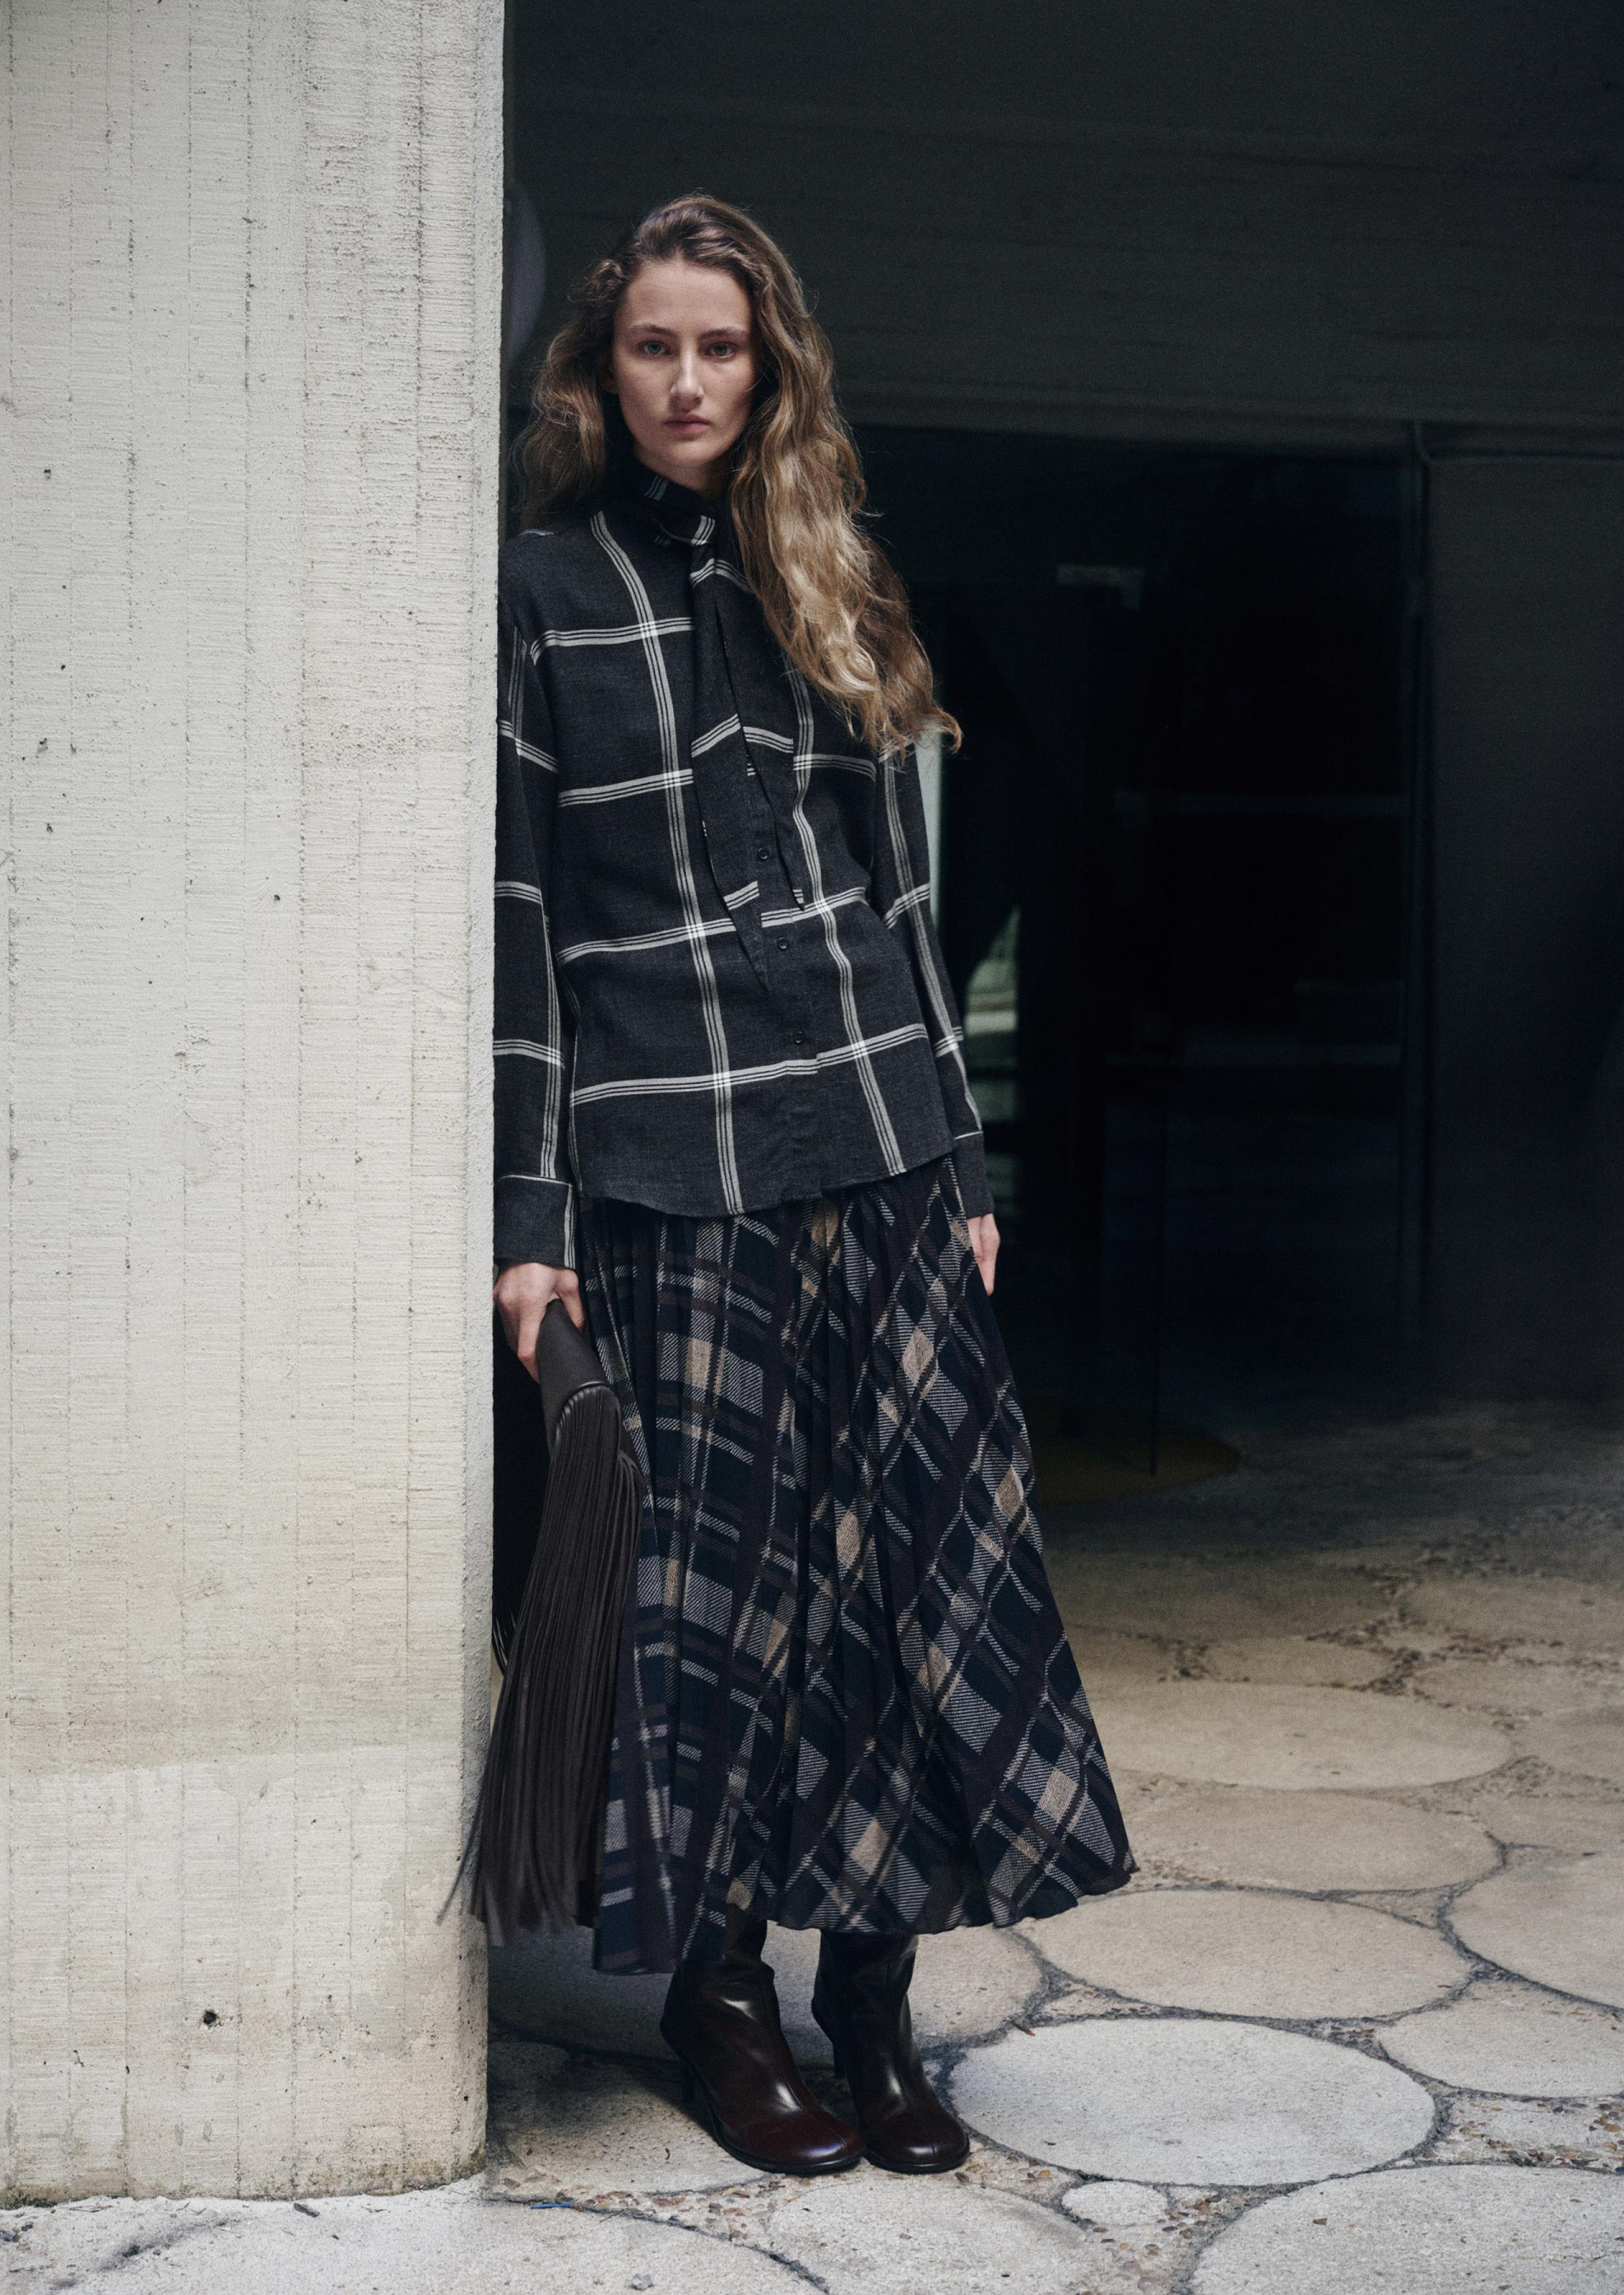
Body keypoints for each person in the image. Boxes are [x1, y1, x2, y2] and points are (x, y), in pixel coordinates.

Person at [490, 193, 1133, 2179]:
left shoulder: (826, 569)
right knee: (716, 1609)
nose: (688, 382)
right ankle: (719, 2002)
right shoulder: (536, 595)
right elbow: (514, 930)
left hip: (877, 1157)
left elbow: (896, 905)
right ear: (601, 371)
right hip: (668, 1170)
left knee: (911, 1589)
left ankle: (871, 1996)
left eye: (722, 348)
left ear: (768, 369)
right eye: (654, 348)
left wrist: (959, 1153)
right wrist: (525, 1224)